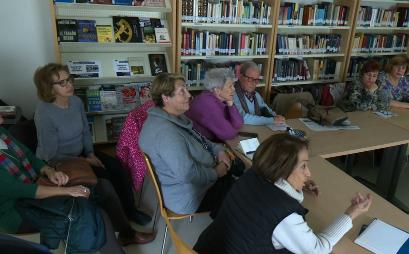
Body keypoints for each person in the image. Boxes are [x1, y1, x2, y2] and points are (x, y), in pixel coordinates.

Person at [0, 114, 155, 254]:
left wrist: (49, 171)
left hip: (37, 185)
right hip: (17, 212)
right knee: (93, 212)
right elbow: (21, 190)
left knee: (104, 186)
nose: (2, 116)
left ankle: (126, 234)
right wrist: (68, 191)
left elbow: (28, 155)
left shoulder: (3, 134)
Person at [194, 133, 372, 254]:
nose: (308, 173)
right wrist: (351, 212)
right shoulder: (282, 214)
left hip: (208, 247)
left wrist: (298, 184)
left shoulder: (253, 174)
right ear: (283, 170)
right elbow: (318, 249)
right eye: (303, 166)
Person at [33, 63, 151, 225]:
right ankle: (120, 220)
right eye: (62, 83)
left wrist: (90, 154)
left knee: (119, 168)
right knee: (106, 179)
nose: (69, 85)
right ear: (49, 88)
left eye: (69, 80)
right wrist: (85, 161)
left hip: (82, 153)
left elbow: (86, 132)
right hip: (58, 161)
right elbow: (50, 155)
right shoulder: (44, 113)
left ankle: (130, 211)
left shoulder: (75, 101)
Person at [139, 73, 235, 216]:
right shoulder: (166, 133)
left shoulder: (173, 117)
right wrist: (216, 172)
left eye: (186, 89)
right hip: (188, 197)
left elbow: (202, 141)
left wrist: (219, 150)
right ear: (166, 98)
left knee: (236, 180)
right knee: (239, 193)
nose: (189, 95)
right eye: (182, 92)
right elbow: (188, 174)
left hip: (197, 181)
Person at [185, 68, 243, 142]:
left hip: (209, 142)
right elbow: (228, 134)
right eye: (230, 86)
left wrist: (231, 104)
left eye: (233, 85)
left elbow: (238, 124)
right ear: (217, 90)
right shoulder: (207, 103)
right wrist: (230, 127)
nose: (234, 89)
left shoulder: (221, 99)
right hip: (197, 145)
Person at [233, 61, 286, 125]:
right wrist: (272, 120)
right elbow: (242, 118)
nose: (253, 83)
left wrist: (276, 116)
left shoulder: (256, 95)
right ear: (241, 77)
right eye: (250, 79)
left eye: (256, 80)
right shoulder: (232, 94)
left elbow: (267, 109)